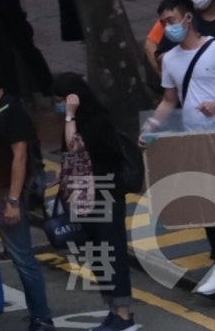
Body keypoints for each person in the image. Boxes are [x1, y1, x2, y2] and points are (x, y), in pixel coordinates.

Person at [144, 0, 215, 296]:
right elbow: (169, 100)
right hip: (193, 138)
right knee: (207, 200)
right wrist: (152, 126)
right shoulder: (169, 59)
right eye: (164, 23)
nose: (168, 27)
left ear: (188, 18)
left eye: (171, 20)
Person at [0, 49, 53, 331]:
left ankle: (42, 317)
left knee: (22, 258)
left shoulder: (11, 109)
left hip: (6, 193)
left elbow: (20, 157)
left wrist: (14, 201)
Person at [52, 72, 141, 331]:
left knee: (112, 251)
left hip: (105, 193)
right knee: (97, 253)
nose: (58, 105)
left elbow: (73, 146)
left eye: (61, 99)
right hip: (83, 194)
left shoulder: (95, 121)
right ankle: (113, 310)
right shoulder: (77, 120)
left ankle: (124, 315)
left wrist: (69, 115)